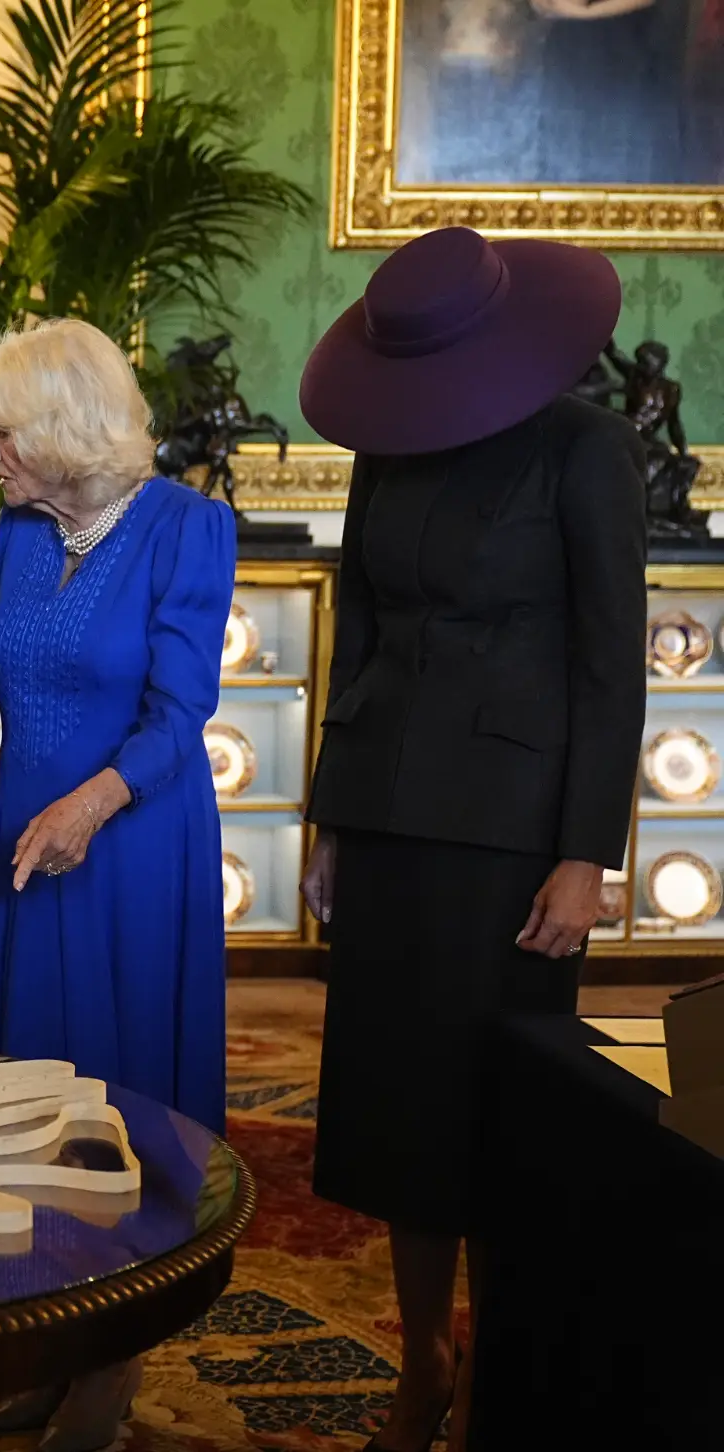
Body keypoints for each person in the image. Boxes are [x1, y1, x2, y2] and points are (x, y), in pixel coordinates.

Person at [296, 224, 645, 1452]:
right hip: (385, 819)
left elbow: (608, 664)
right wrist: (329, 817)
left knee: (498, 1122)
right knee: (397, 1116)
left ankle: (499, 1374)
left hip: (512, 838)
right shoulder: (384, 444)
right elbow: (358, 630)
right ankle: (422, 1362)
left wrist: (585, 855)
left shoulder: (585, 449)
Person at [0, 317, 234, 1451]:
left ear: (65, 429)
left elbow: (180, 711)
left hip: (130, 845)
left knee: (121, 1102)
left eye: (3, 432)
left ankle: (111, 1357)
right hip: (27, 847)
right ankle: (47, 1332)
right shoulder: (20, 531)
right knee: (26, 1097)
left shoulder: (187, 528)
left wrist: (92, 805)